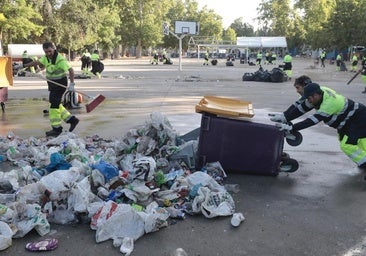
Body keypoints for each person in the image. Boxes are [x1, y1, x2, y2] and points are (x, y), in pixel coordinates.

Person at [274, 82, 366, 168]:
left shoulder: (329, 103)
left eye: (309, 98)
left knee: (347, 145)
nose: (308, 101)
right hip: (349, 122)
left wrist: (292, 128)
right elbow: (302, 108)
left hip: (359, 119)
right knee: (360, 142)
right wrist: (285, 117)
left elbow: (312, 120)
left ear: (315, 95)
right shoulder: (318, 93)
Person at [23, 41, 79, 137]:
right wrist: (23, 66)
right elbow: (37, 62)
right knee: (56, 103)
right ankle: (72, 120)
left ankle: (57, 129)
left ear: (54, 49)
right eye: (46, 52)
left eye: (50, 51)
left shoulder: (60, 60)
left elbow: (71, 70)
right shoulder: (46, 58)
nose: (48, 54)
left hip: (60, 84)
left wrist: (72, 84)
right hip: (52, 85)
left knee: (53, 106)